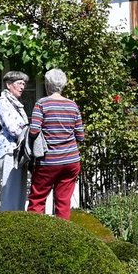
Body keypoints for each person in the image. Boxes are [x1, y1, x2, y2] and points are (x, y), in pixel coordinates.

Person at [27, 68, 85, 220]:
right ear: (63, 85)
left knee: (37, 199)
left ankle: (34, 231)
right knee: (63, 201)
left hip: (49, 161)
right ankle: (63, 232)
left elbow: (34, 131)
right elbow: (80, 136)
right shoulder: (73, 105)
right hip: (71, 161)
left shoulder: (42, 104)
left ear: (47, 85)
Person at [0, 70, 30, 211]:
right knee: (10, 193)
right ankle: (7, 220)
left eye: (24, 84)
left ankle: (18, 220)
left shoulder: (16, 104)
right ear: (9, 84)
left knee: (19, 193)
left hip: (18, 152)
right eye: (19, 83)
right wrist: (31, 134)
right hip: (8, 152)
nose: (22, 87)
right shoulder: (3, 103)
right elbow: (14, 129)